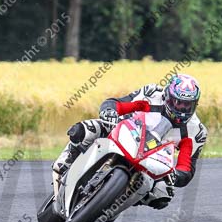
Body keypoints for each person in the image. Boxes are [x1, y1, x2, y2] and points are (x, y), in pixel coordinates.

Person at [52, 73, 207, 209]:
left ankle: (114, 202)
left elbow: (186, 168)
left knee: (163, 192)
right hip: (123, 133)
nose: (181, 108)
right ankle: (63, 166)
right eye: (177, 102)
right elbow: (118, 103)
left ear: (195, 104)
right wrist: (110, 111)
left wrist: (176, 175)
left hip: (151, 161)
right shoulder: (152, 94)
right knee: (85, 130)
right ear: (167, 96)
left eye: (187, 105)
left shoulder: (196, 131)